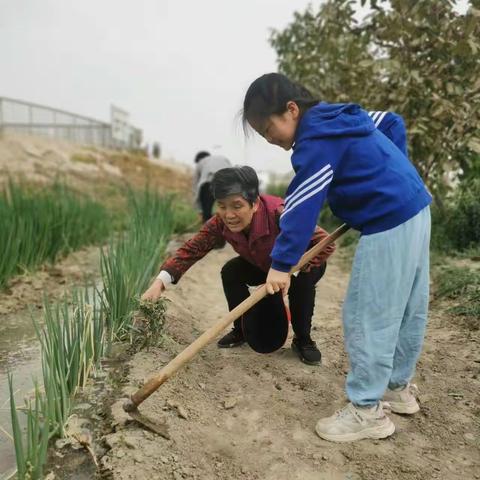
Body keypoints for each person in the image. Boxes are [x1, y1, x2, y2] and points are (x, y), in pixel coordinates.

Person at [242, 73, 432, 442]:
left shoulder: (314, 141)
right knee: (409, 307)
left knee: (368, 314)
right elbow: (392, 121)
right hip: (416, 207)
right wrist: (390, 174)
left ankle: (366, 411)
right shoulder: (343, 116)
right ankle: (396, 387)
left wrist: (280, 265)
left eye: (269, 129)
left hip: (389, 219)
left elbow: (301, 203)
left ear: (292, 110)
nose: (272, 140)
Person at [142, 166, 335, 365]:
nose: (229, 214)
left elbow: (326, 241)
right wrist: (159, 283)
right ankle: (241, 330)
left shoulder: (281, 213)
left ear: (255, 204)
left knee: (302, 284)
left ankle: (303, 339)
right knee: (231, 271)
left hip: (301, 264)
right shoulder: (220, 223)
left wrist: (289, 272)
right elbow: (191, 250)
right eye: (222, 206)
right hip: (262, 264)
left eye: (237, 206)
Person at [193, 151, 231, 222]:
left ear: (198, 160)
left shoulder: (200, 163)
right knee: (230, 207)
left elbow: (195, 187)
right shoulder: (223, 158)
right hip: (228, 182)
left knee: (206, 211)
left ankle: (208, 226)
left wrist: (200, 211)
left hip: (209, 182)